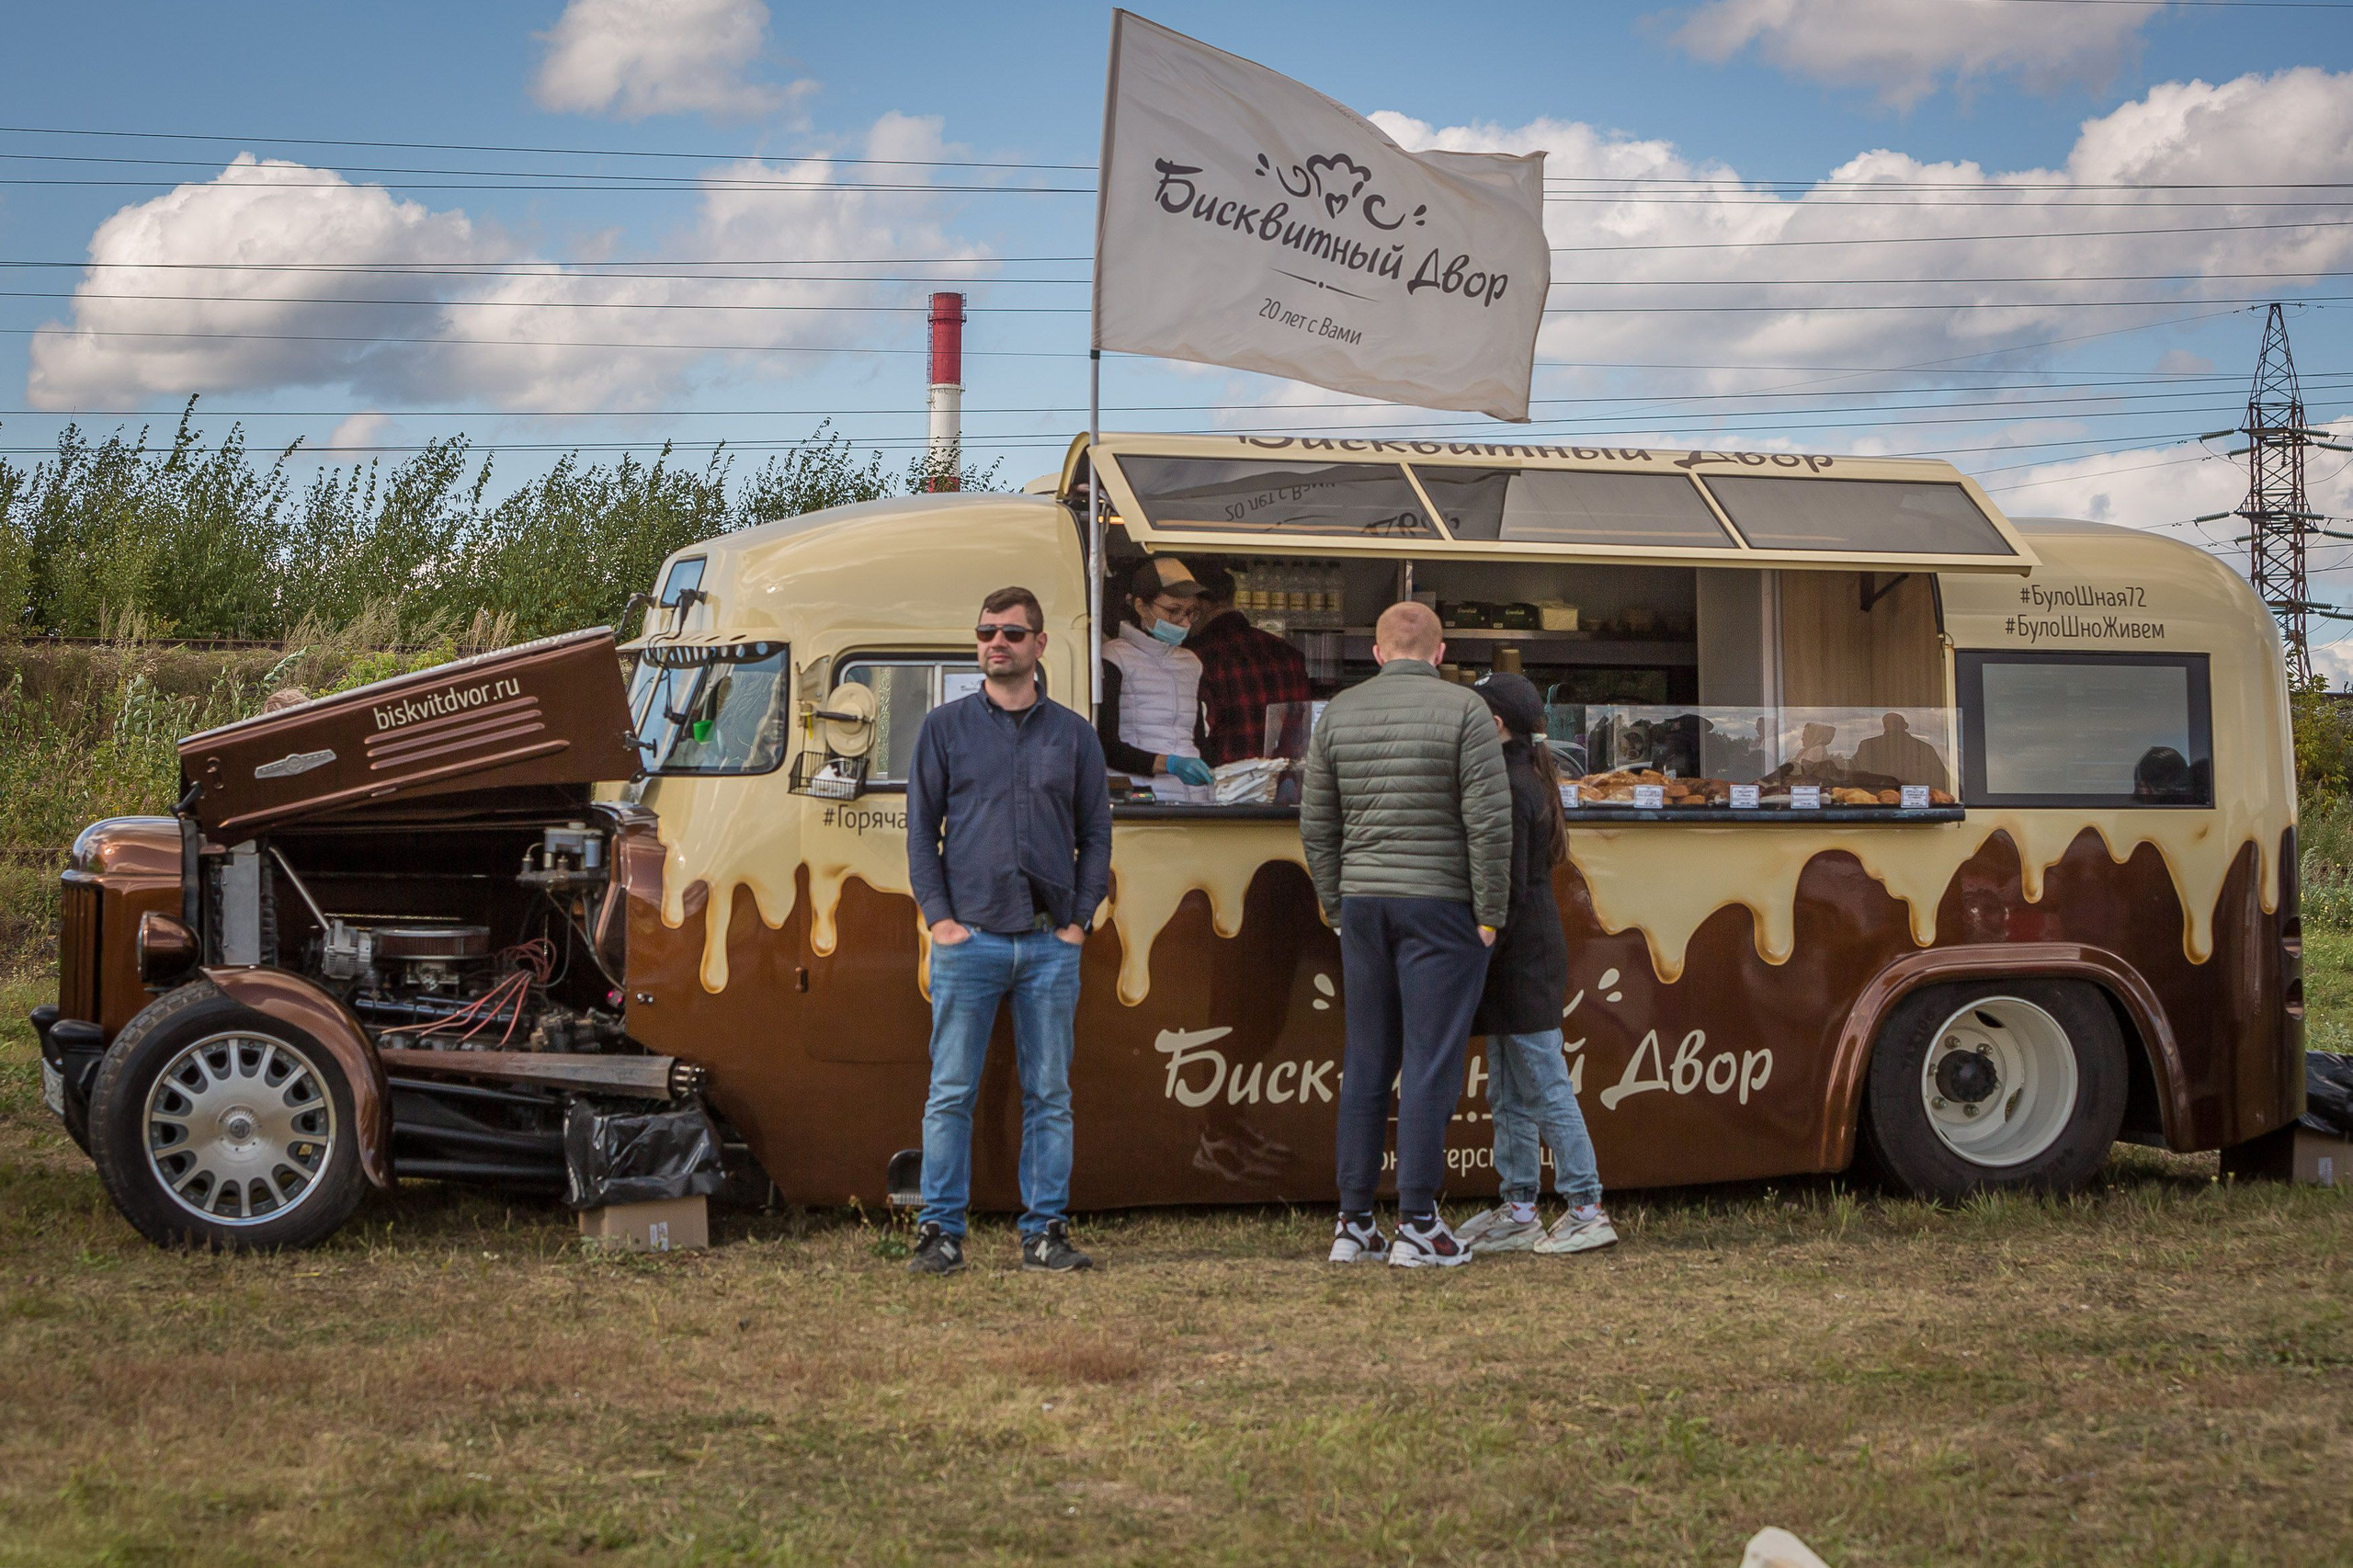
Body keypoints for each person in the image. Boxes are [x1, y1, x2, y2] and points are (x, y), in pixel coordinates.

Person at [904, 585, 1112, 1277]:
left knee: (1050, 1094)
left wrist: (1080, 923)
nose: (998, 642)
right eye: (987, 631)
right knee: (951, 1092)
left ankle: (1045, 1233)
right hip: (972, 942)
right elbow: (919, 836)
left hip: (1051, 943)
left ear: (1039, 646)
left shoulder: (1074, 735)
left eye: (1013, 633)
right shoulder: (943, 729)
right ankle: (940, 1233)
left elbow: (1096, 836)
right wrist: (941, 920)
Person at [1300, 600, 1512, 1267]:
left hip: (1364, 904)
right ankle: (1418, 1223)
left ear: (1378, 652)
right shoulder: (1467, 711)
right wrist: (1490, 913)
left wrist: (1337, 903)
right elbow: (1489, 822)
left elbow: (1316, 824)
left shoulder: (1339, 712)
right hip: (1441, 904)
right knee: (1429, 1064)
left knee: (1366, 1062)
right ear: (1442, 653)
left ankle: (1354, 1223)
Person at [1451, 673, 1618, 1257]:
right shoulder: (1527, 774)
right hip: (1520, 952)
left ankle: (1586, 1207)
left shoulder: (1509, 783)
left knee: (1545, 1084)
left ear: (1495, 724)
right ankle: (1519, 1207)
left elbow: (1508, 889)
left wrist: (1477, 948)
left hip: (1520, 954)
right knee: (1508, 1089)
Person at [1098, 557, 1214, 803]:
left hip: (1194, 801)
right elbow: (1104, 744)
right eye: (1173, 611)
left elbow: (1198, 740)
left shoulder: (1191, 664)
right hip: (1140, 800)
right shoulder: (1113, 657)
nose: (1184, 622)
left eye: (1190, 612)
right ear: (1141, 606)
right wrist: (1167, 764)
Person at [1183, 561, 1311, 767]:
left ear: (1202, 605)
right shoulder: (1289, 654)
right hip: (1284, 785)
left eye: (1186, 611)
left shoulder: (1196, 658)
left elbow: (1196, 737)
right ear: (1231, 597)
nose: (1183, 620)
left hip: (1224, 786)